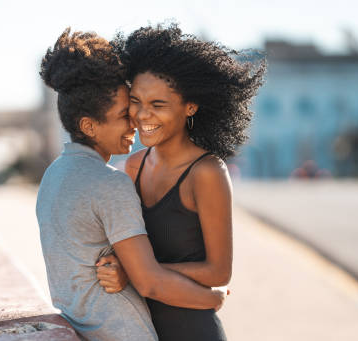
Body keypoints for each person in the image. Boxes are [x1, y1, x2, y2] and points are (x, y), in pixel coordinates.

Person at [36, 28, 226, 341]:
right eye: (125, 114)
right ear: (89, 126)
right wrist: (214, 299)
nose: (134, 122)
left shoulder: (52, 176)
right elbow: (149, 281)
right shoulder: (110, 182)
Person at [96, 23, 265, 340]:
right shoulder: (130, 168)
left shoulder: (206, 172)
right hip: (141, 330)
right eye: (136, 101)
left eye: (158, 105)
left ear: (190, 106)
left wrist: (135, 273)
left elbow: (218, 271)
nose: (142, 115)